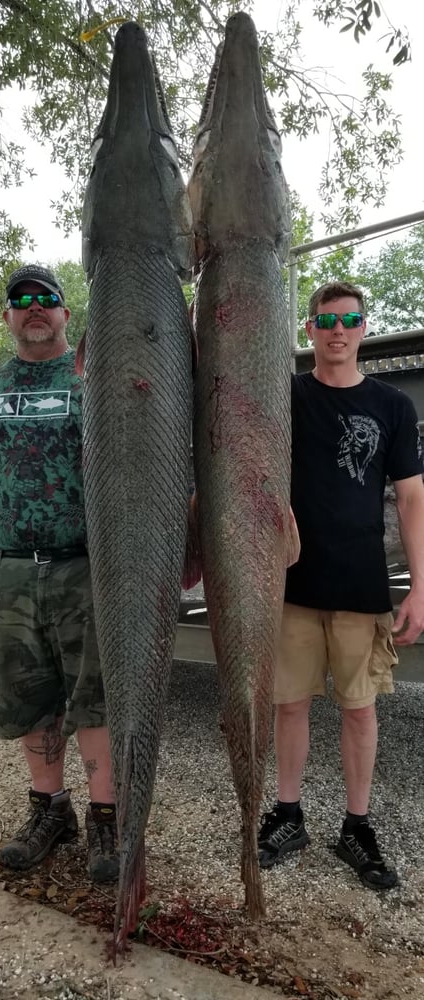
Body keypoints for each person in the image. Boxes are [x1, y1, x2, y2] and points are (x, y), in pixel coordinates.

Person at [0, 264, 119, 883]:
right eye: (22, 300)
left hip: (88, 567)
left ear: (67, 314)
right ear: (8, 316)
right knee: (30, 697)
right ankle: (50, 811)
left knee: (93, 699)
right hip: (12, 571)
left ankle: (106, 820)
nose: (34, 307)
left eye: (47, 299)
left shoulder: (96, 384)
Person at [258, 280, 424, 889]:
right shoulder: (287, 396)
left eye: (350, 320)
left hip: (361, 585)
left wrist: (421, 587)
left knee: (359, 710)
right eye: (326, 320)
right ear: (310, 330)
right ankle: (288, 813)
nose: (337, 330)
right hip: (292, 582)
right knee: (290, 704)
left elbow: (410, 497)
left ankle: (357, 827)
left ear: (363, 329)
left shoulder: (393, 406)